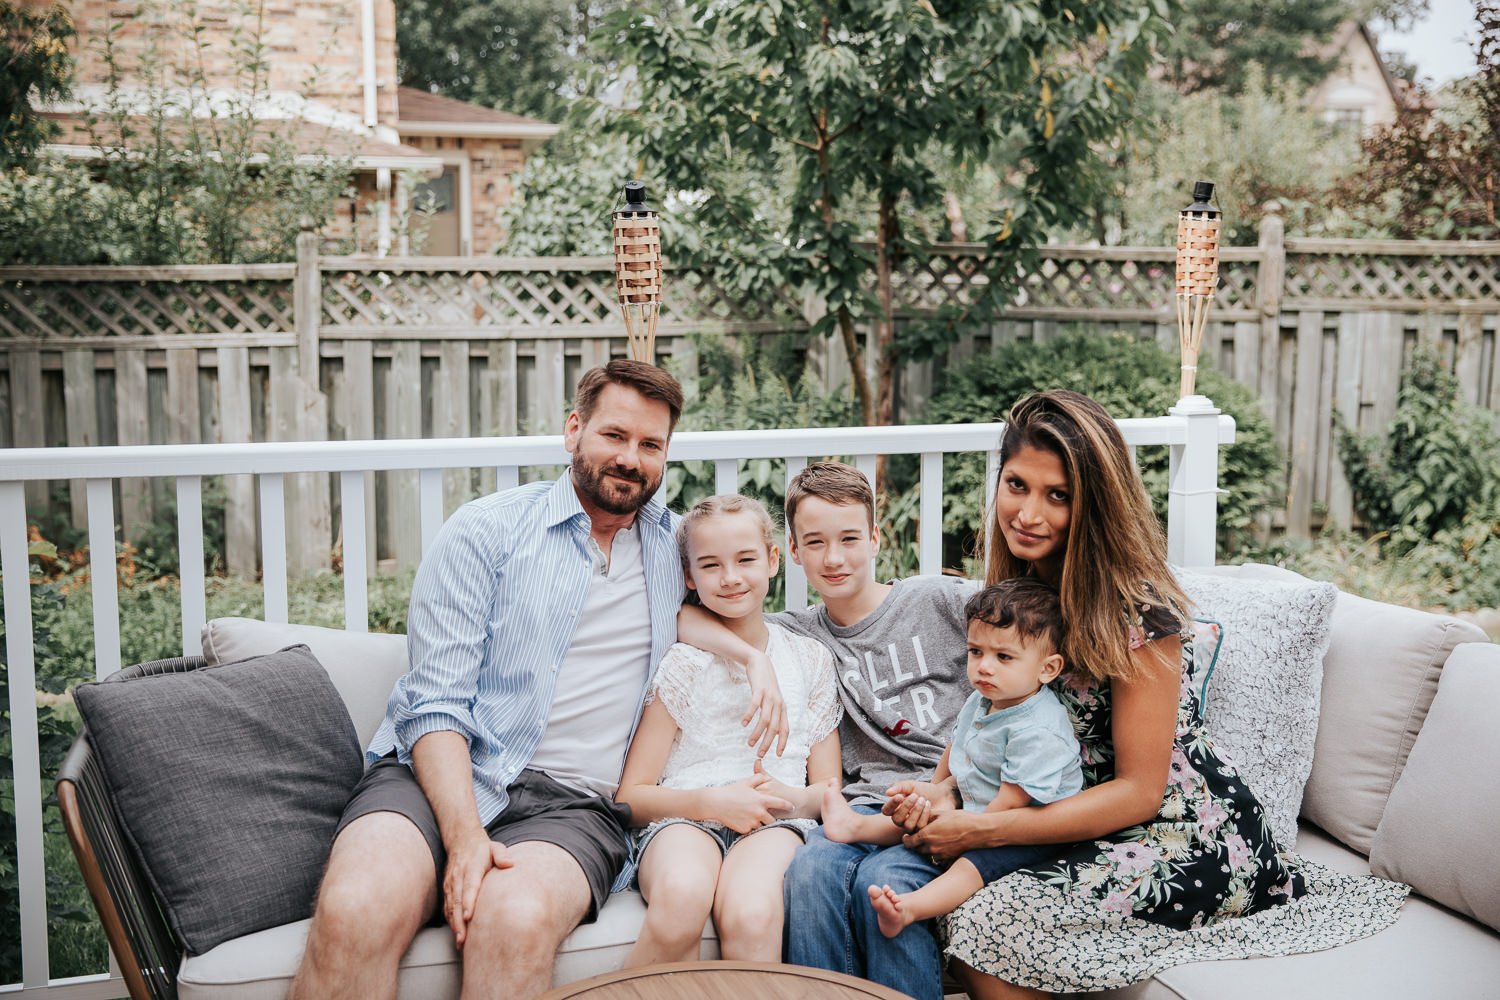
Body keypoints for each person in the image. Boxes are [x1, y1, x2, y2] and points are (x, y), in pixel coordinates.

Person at [288, 360, 787, 1000]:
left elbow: (702, 611)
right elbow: (434, 703)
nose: (630, 459)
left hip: (572, 807)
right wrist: (465, 837)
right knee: (357, 906)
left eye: (650, 445)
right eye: (614, 435)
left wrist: (754, 657)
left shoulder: (673, 549)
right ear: (573, 430)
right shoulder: (486, 530)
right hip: (438, 774)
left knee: (513, 920)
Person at [897, 389, 1401, 997]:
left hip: (1188, 831)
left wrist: (983, 832)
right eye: (1016, 485)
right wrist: (939, 790)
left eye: (1058, 496)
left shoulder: (1141, 615)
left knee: (985, 917)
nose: (1028, 514)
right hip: (1077, 818)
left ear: (1095, 506)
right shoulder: (1019, 596)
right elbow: (989, 720)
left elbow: (1140, 792)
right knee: (953, 897)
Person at [677, 461, 976, 1000]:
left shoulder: (936, 600)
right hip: (864, 806)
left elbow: (1031, 614)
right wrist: (752, 659)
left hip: (949, 793)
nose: (834, 558)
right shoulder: (798, 634)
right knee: (811, 869)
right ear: (791, 551)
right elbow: (686, 618)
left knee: (877, 885)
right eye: (815, 542)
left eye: (849, 539)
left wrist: (954, 786)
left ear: (876, 538)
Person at [615, 494, 843, 966]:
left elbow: (828, 788)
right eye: (711, 565)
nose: (731, 577)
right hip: (684, 817)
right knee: (681, 896)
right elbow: (631, 796)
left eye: (745, 559)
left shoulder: (809, 660)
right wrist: (712, 803)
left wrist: (784, 796)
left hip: (775, 821)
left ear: (773, 560)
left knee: (753, 914)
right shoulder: (684, 661)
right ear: (688, 576)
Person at [821, 577, 1082, 940]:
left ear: (1047, 669)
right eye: (976, 652)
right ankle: (856, 827)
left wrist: (965, 834)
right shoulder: (986, 698)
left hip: (1028, 831)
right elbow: (955, 744)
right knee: (921, 812)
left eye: (1003, 656)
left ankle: (909, 909)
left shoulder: (1038, 729)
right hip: (980, 804)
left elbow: (1011, 803)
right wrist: (935, 791)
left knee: (970, 867)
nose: (984, 667)